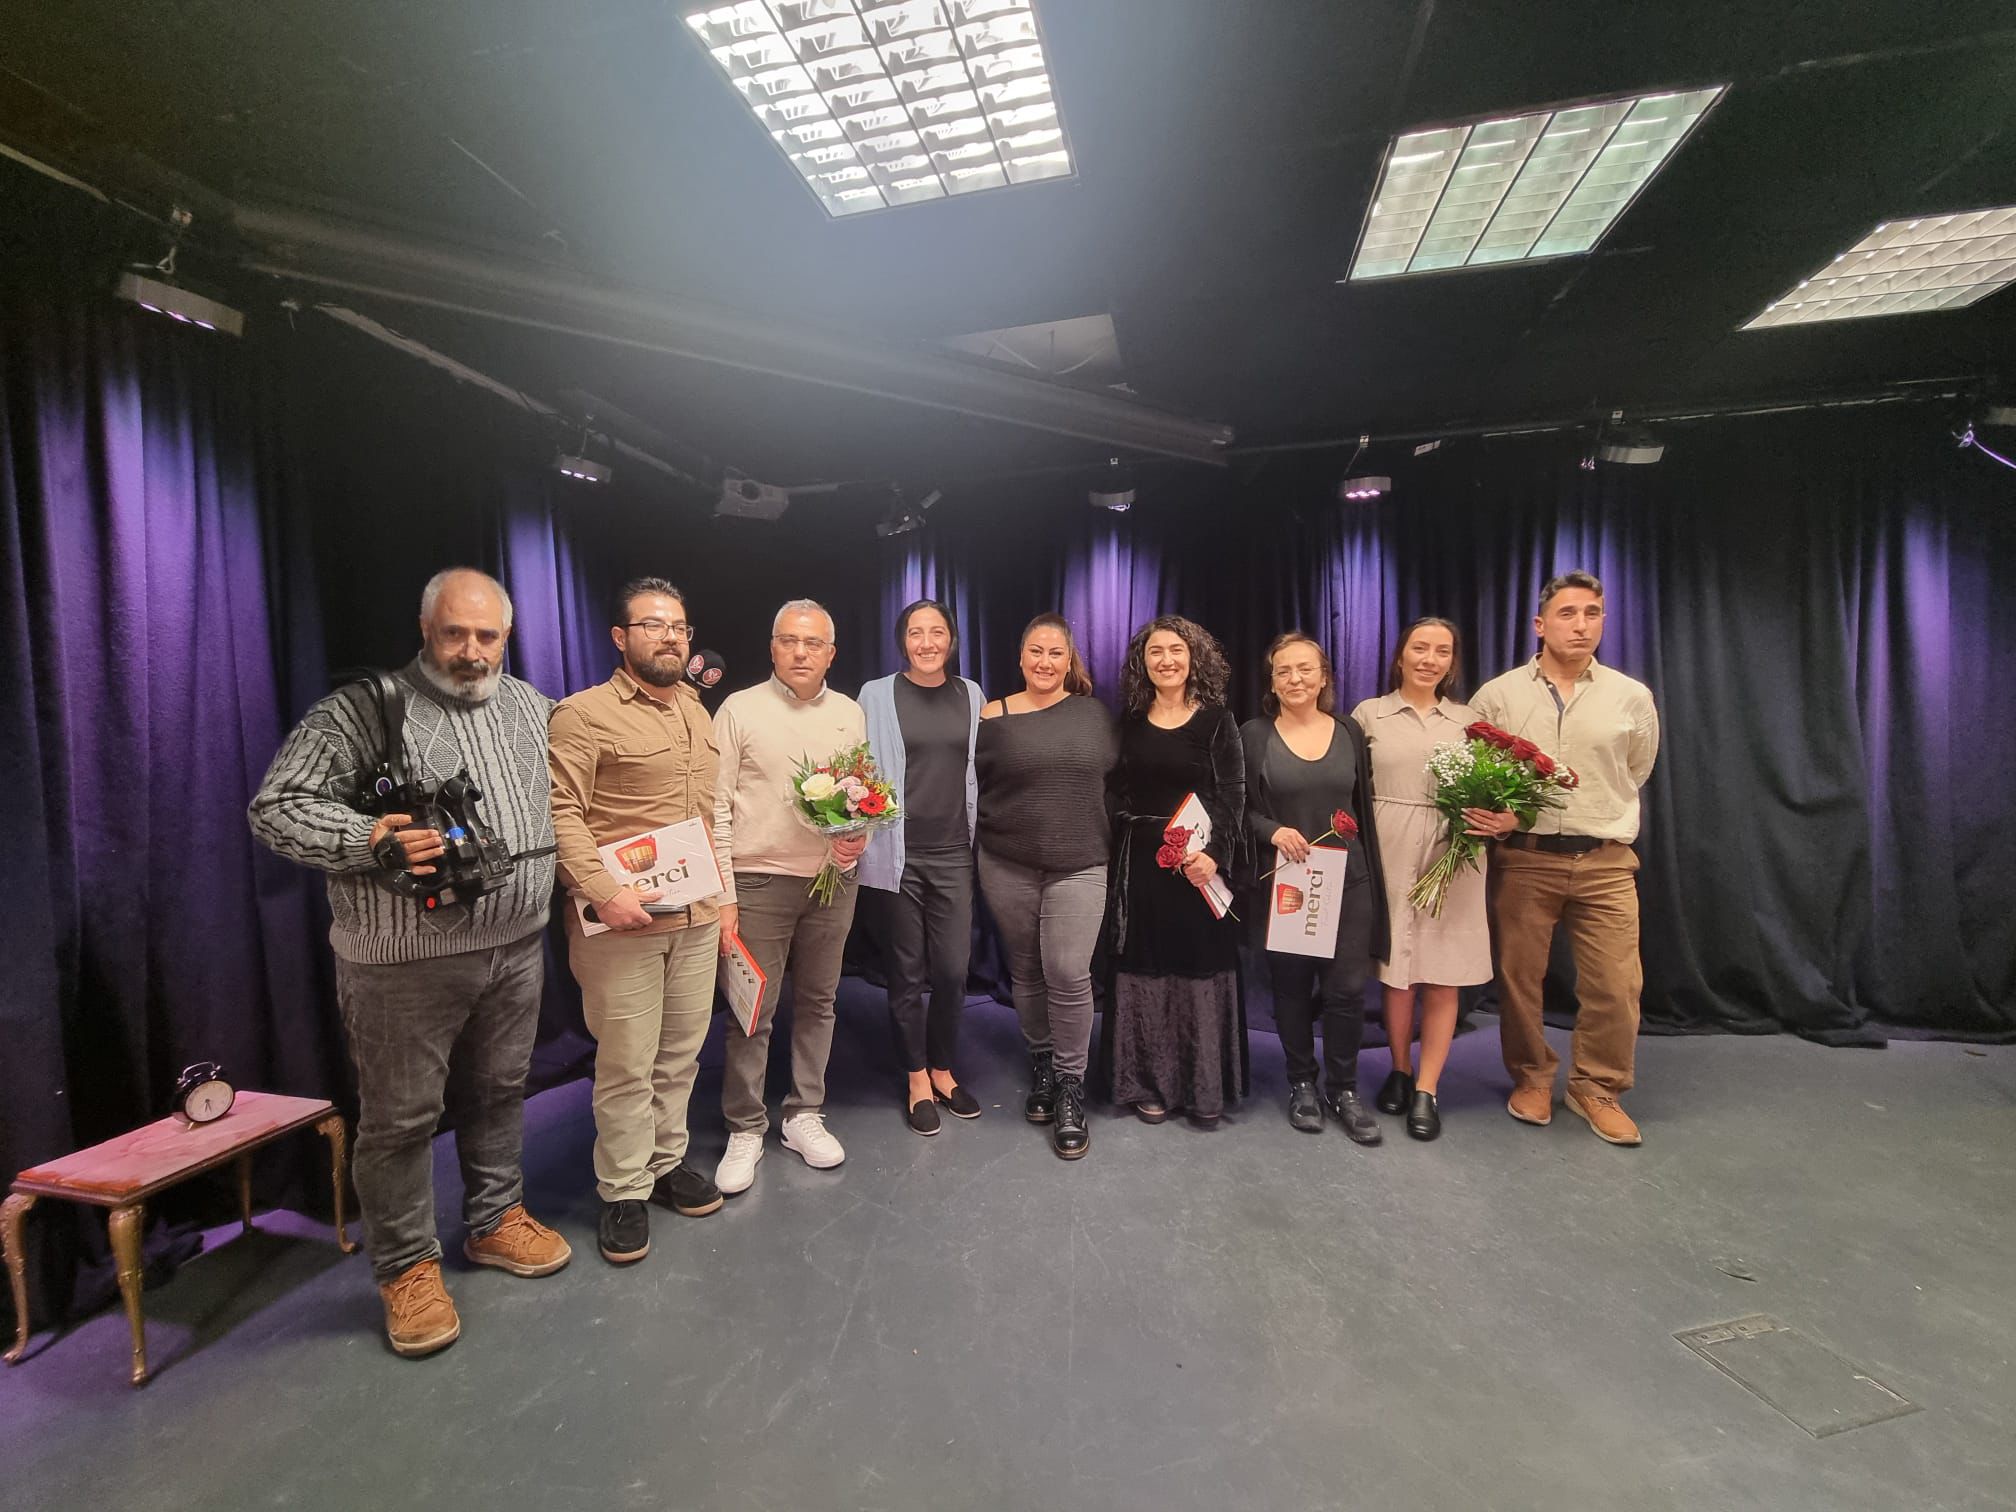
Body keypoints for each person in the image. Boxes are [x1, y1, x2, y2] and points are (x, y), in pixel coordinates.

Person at [248, 567, 570, 1359]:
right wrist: (369, 838)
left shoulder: (535, 708)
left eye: (486, 636)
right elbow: (276, 808)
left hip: (517, 946)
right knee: (400, 1121)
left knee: (499, 1092)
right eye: (454, 633)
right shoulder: (363, 710)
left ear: (507, 636)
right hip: (401, 962)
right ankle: (407, 1268)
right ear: (427, 631)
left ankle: (494, 1219)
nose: (471, 651)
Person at [548, 577, 732, 1266]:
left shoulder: (696, 710)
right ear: (621, 637)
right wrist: (600, 892)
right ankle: (623, 1190)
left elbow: (710, 815)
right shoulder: (582, 714)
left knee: (680, 1055)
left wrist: (723, 899)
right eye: (654, 625)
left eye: (679, 626)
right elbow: (560, 811)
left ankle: (665, 1164)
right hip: (622, 924)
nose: (670, 637)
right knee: (626, 1063)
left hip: (695, 917)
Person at [1469, 570, 1660, 1146]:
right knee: (1519, 980)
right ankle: (1531, 1076)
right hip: (1526, 860)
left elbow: (1636, 769)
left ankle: (1596, 1087)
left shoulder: (1630, 696)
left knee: (1616, 984)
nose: (1581, 625)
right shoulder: (1499, 696)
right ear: (1540, 624)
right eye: (1568, 614)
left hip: (1605, 861)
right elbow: (1478, 772)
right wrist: (1511, 816)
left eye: (1592, 613)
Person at [710, 599, 869, 1193]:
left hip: (833, 881)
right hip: (757, 881)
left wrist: (857, 837)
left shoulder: (849, 713)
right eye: (789, 641)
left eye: (813, 643)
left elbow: (859, 796)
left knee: (820, 1002)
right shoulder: (739, 708)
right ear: (773, 647)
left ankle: (804, 1114)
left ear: (831, 653)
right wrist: (724, 896)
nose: (801, 652)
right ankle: (745, 1126)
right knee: (752, 1010)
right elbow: (716, 806)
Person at [974, 613, 1117, 1159]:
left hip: (1079, 864)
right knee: (1027, 968)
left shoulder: (1092, 714)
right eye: (1036, 651)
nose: (1045, 661)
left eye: (1056, 652)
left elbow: (1113, 782)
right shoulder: (992, 715)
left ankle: (1070, 1085)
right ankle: (1043, 1063)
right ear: (1020, 656)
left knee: (1068, 971)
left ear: (1069, 659)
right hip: (1007, 863)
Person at [1349, 618, 1490, 1141]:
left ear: (1452, 662)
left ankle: (1428, 1088)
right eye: (1420, 648)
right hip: (1387, 846)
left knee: (1442, 971)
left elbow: (1490, 792)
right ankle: (1400, 1069)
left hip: (1451, 852)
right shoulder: (1369, 714)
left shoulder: (1471, 722)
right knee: (1398, 970)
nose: (1430, 659)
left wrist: (1496, 817)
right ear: (1400, 655)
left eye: (1442, 651)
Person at [1243, 633, 1388, 1142]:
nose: (1295, 679)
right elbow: (1239, 810)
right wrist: (1271, 831)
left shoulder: (1349, 731)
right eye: (1283, 670)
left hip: (1348, 882)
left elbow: (1364, 807)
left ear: (1324, 676)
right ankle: (1301, 1083)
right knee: (1292, 989)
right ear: (1272, 682)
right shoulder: (1254, 735)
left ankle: (1343, 1089)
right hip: (1289, 884)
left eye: (1305, 669)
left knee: (1346, 991)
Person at [1104, 615, 1247, 1129]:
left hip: (1197, 869)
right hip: (1141, 868)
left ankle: (1201, 1088)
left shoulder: (1217, 721)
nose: (1166, 660)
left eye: (1176, 650)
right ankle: (1149, 1085)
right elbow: (1115, 788)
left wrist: (1215, 855)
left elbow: (1233, 794)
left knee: (1197, 968)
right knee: (1148, 968)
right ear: (1143, 663)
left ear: (1193, 658)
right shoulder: (1129, 721)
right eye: (1155, 652)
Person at [858, 599, 985, 1136]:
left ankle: (943, 1068)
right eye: (916, 632)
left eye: (937, 632)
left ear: (951, 639)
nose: (927, 643)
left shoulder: (971, 695)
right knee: (906, 972)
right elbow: (858, 767)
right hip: (898, 855)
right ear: (902, 640)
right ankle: (916, 1079)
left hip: (955, 853)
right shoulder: (876, 694)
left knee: (953, 970)